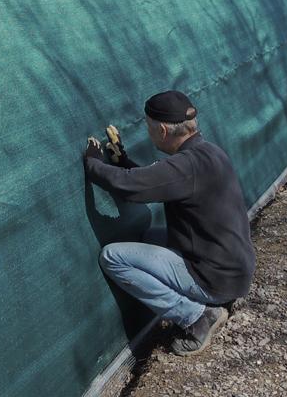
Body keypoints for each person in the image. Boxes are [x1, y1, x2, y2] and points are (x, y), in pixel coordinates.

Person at [83, 90, 255, 356]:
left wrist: (93, 163)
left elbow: (131, 186)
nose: (148, 131)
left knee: (113, 257)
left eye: (149, 126)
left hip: (215, 280)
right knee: (146, 237)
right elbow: (159, 182)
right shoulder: (207, 152)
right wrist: (123, 161)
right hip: (233, 269)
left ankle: (196, 317)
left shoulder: (187, 165)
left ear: (163, 130)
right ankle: (204, 302)